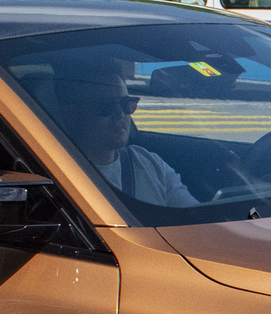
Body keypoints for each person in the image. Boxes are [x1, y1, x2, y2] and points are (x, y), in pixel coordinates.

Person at [43, 55, 201, 207]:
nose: (120, 114)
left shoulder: (149, 164)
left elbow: (194, 219)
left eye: (126, 103)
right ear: (69, 113)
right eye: (105, 106)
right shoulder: (53, 174)